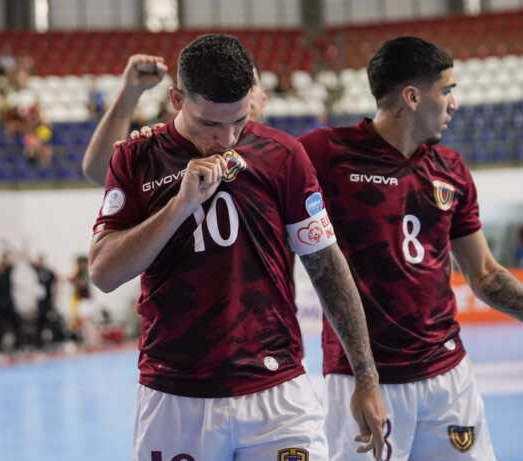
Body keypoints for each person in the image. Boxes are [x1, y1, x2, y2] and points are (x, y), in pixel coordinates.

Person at [88, 34, 388, 461]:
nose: (226, 138)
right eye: (210, 125)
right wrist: (180, 206)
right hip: (175, 395)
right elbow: (103, 272)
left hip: (277, 392)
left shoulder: (283, 155)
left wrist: (366, 377)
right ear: (177, 98)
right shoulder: (138, 157)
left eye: (239, 121)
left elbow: (325, 265)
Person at [298, 37, 523, 461]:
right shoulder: (326, 154)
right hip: (365, 380)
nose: (454, 104)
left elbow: (484, 273)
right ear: (412, 97)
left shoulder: (450, 169)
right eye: (446, 91)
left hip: (448, 377)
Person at [82, 54, 270, 186]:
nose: (236, 95)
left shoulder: (286, 160)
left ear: (264, 97)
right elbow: (100, 171)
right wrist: (130, 92)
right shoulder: (170, 155)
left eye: (249, 84)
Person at [0, 251, 24, 352]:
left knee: (16, 324)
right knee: (0, 326)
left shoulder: (7, 271)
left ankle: (18, 345)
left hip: (8, 303)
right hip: (0, 304)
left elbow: (13, 261)